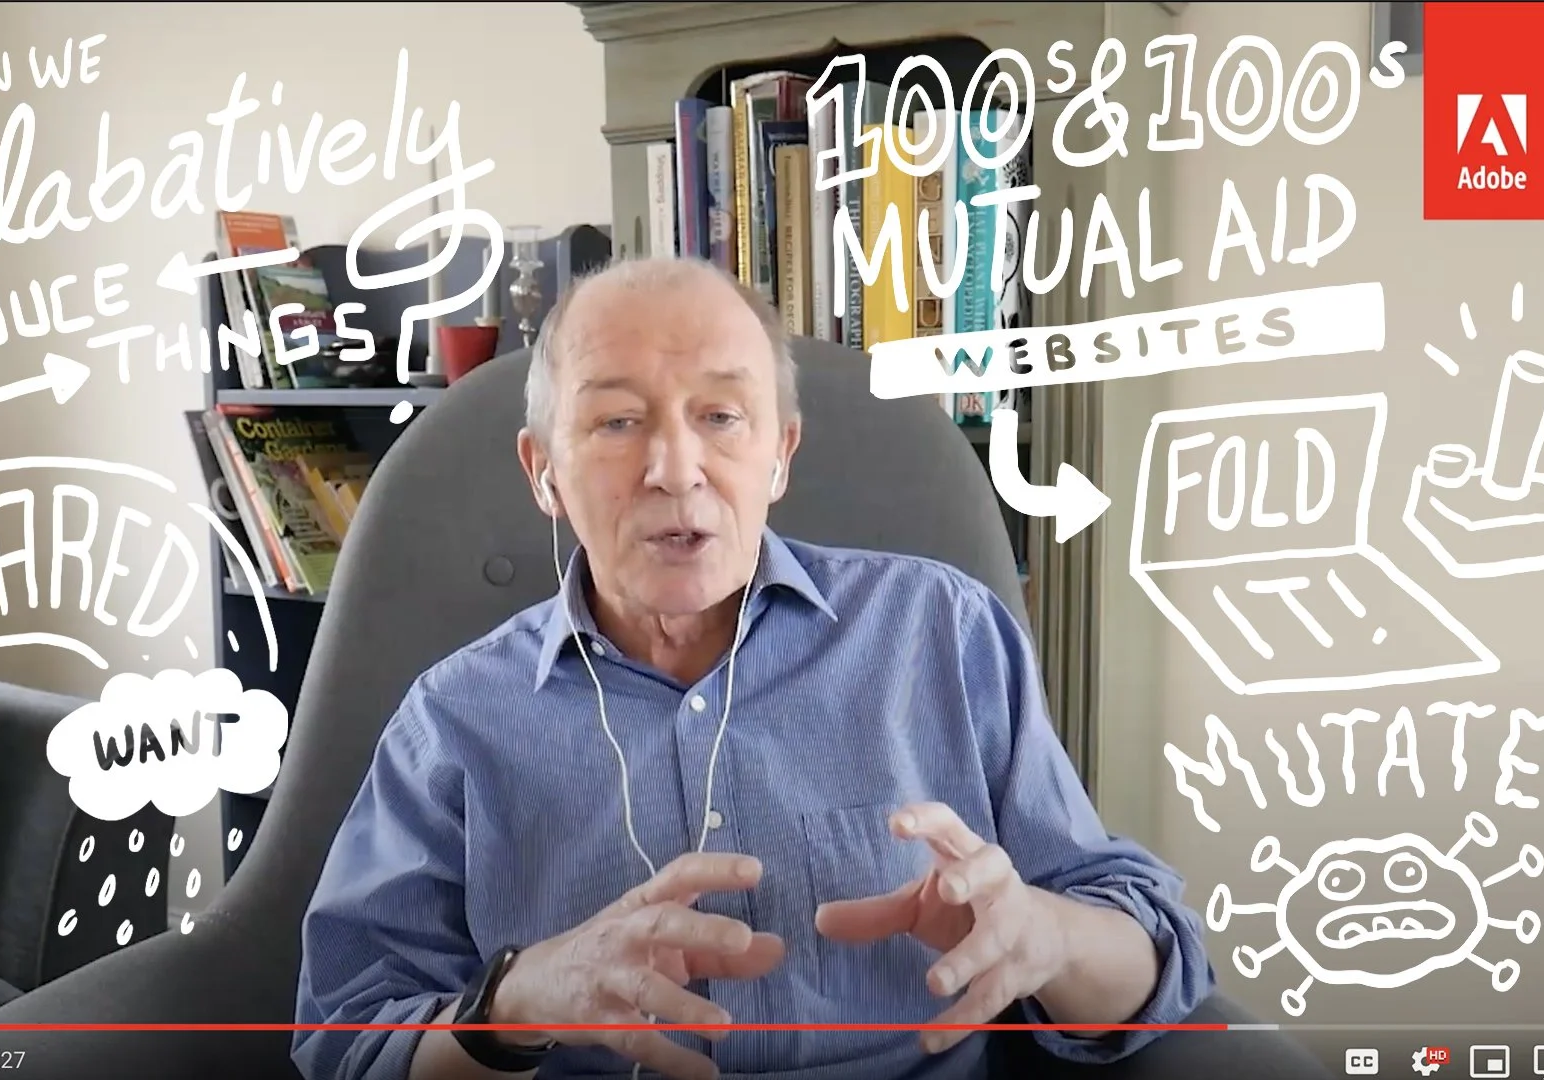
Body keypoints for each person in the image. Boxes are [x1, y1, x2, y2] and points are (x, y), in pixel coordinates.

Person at [293, 257, 1213, 1080]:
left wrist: (1046, 938)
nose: (674, 468)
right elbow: (346, 1036)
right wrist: (515, 1003)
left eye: (722, 417)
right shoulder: (454, 720)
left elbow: (1151, 958)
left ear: (779, 455)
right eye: (617, 421)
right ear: (543, 472)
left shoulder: (942, 633)